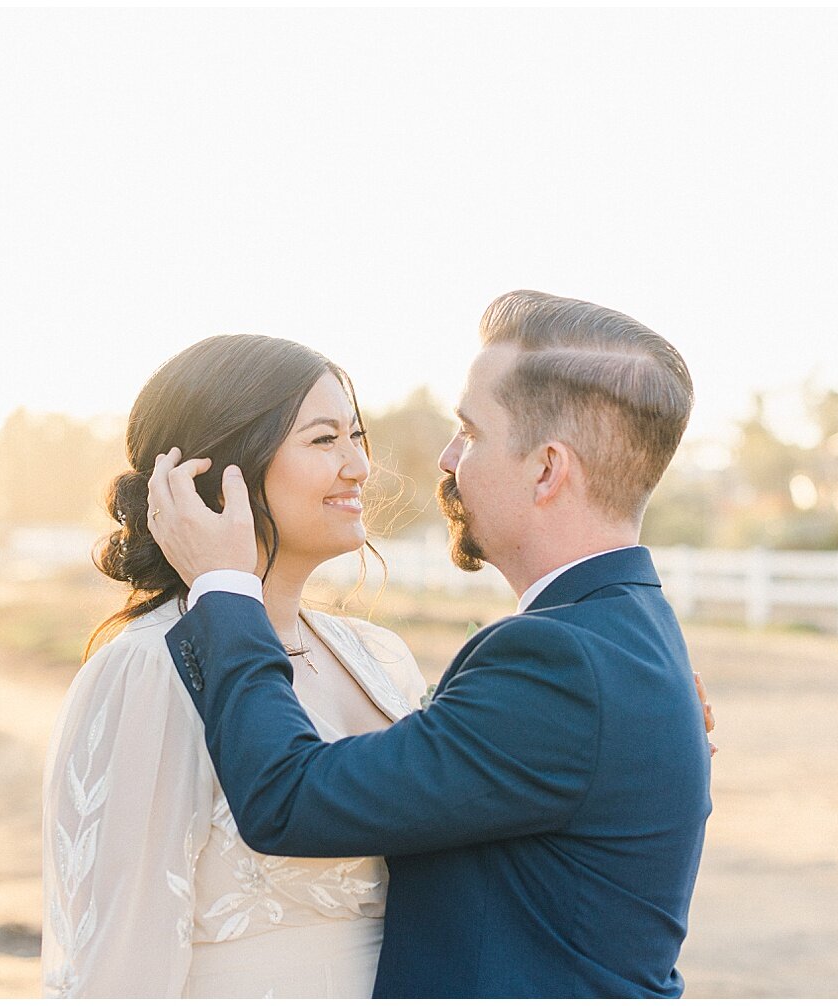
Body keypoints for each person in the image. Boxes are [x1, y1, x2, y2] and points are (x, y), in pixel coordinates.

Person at [146, 290, 714, 997]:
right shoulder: (627, 634)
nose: (447, 459)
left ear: (546, 469)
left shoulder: (563, 663)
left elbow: (287, 801)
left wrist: (228, 590)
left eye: (470, 433)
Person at [41, 334, 431, 997]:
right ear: (223, 470)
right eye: (323, 440)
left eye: (356, 436)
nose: (360, 466)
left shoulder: (381, 659)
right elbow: (120, 964)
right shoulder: (148, 667)